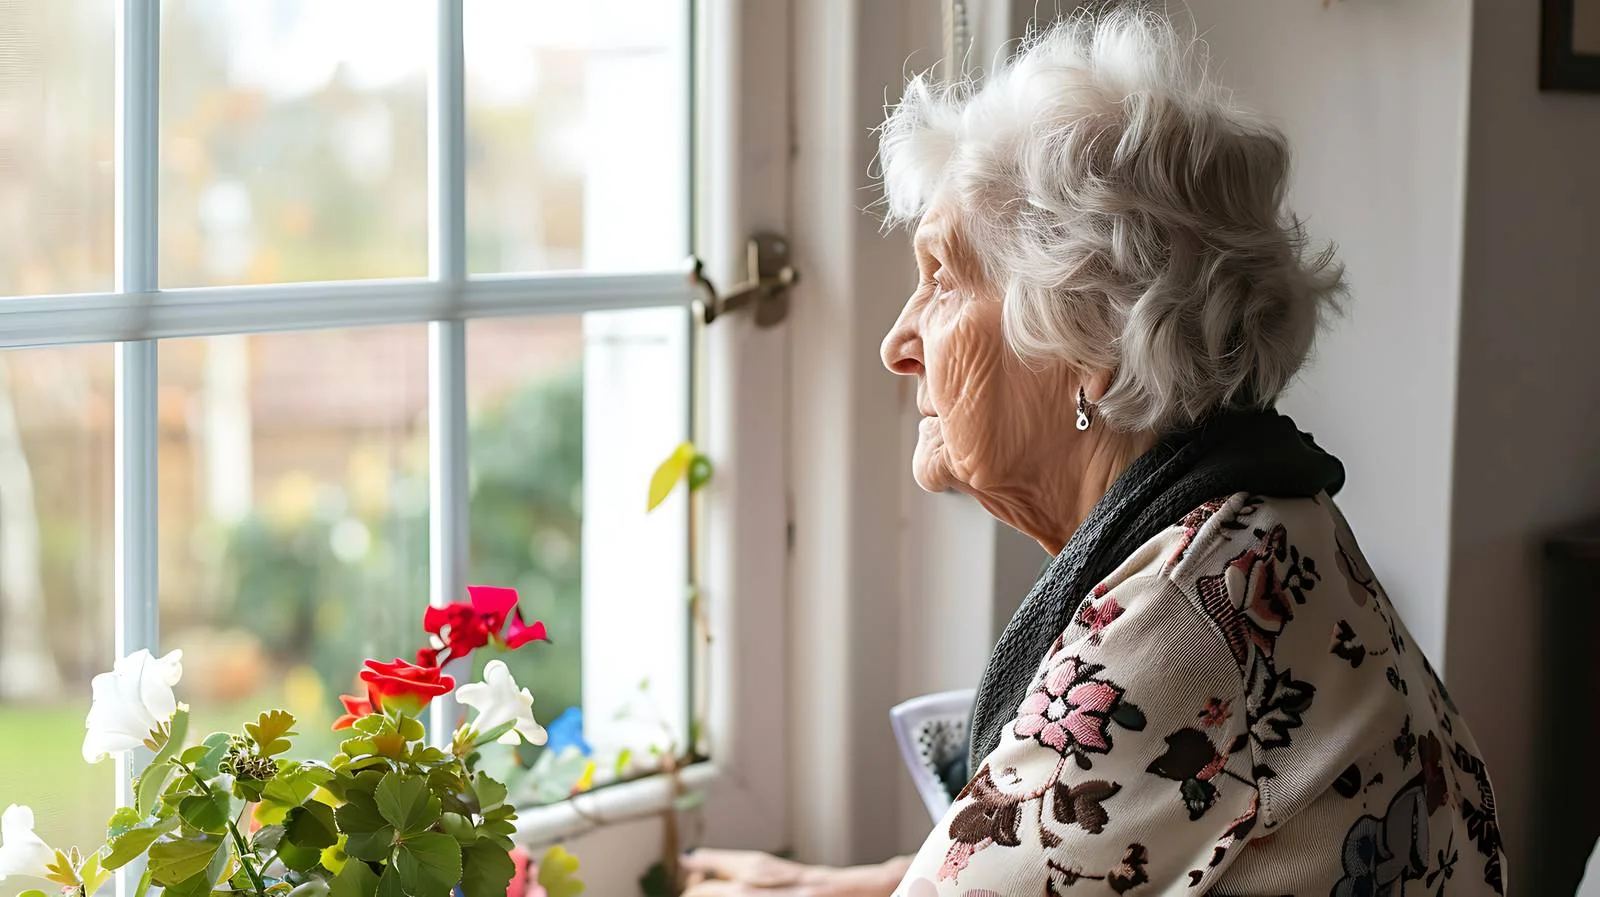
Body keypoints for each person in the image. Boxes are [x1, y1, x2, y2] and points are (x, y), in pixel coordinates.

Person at [683, 9, 1506, 896]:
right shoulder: (1262, 533)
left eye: (944, 279)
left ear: (1089, 339)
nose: (897, 340)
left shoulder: (1184, 624)